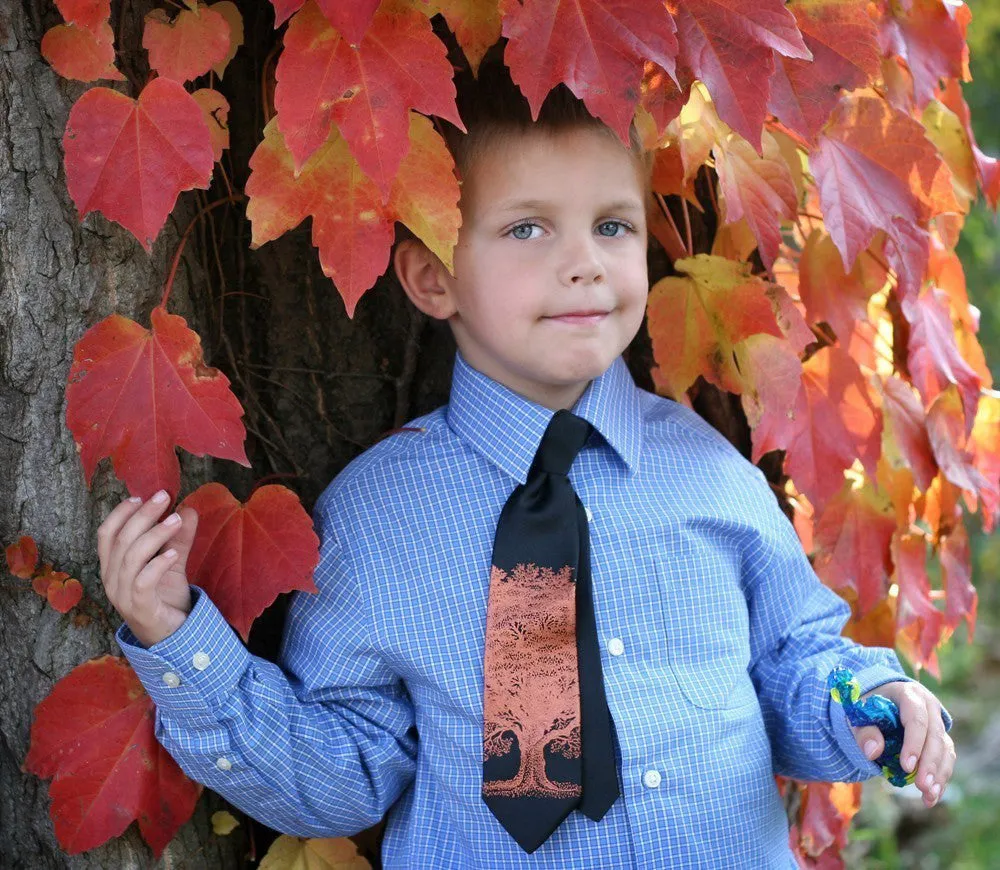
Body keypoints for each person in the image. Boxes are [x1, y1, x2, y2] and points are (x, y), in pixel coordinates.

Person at [97, 59, 954, 868]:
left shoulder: (709, 470)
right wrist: (183, 645)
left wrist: (868, 704)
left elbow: (794, 658)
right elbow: (348, 768)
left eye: (612, 226)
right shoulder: (377, 515)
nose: (583, 261)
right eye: (527, 228)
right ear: (434, 279)